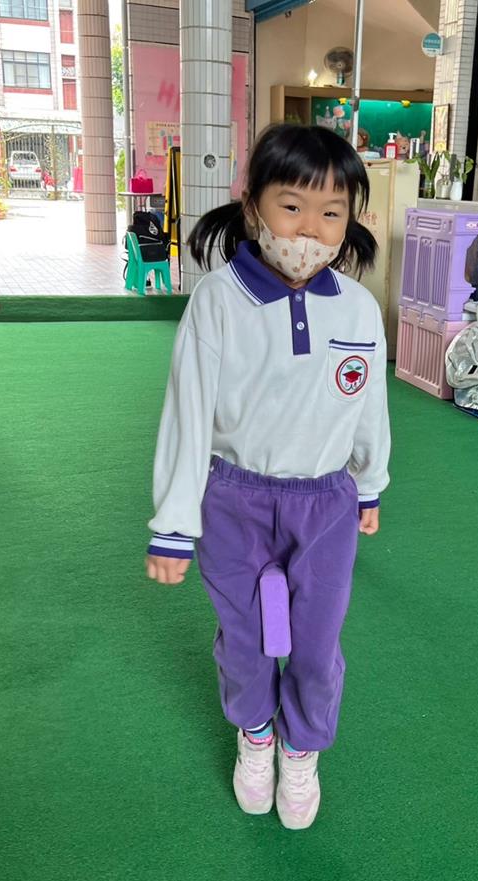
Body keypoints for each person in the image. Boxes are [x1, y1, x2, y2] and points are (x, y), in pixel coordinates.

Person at [146, 124, 391, 830]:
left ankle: (301, 748)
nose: (309, 229)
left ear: (350, 220)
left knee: (316, 644)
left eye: (331, 212)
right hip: (234, 498)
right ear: (253, 205)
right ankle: (255, 734)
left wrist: (369, 481)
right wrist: (173, 525)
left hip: (326, 503)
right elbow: (188, 412)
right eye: (292, 206)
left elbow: (367, 402)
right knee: (246, 638)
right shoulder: (219, 300)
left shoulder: (356, 308)